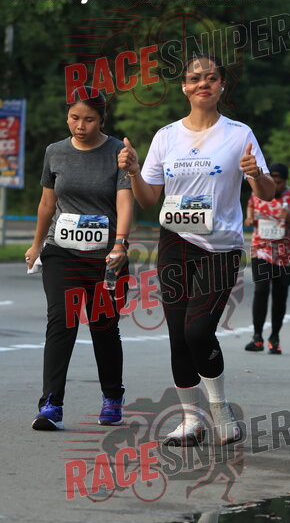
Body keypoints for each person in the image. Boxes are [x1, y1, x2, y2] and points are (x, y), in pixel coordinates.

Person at [118, 54, 274, 446]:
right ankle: (191, 420)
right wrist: (134, 171)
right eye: (195, 78)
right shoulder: (166, 136)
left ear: (221, 85)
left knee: (198, 330)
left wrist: (255, 174)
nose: (203, 83)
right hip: (174, 242)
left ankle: (220, 411)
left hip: (220, 247)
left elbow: (267, 193)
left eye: (211, 77)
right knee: (178, 335)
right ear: (184, 87)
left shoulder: (239, 133)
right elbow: (149, 198)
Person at [25, 87, 133, 430]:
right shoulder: (55, 152)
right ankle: (51, 405)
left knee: (104, 326)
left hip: (106, 256)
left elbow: (124, 200)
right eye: (74, 118)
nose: (80, 126)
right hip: (62, 251)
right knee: (62, 321)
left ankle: (112, 397)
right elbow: (47, 203)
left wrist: (120, 244)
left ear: (102, 119)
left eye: (89, 119)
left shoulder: (117, 152)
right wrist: (36, 245)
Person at [243, 162, 290, 354]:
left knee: (280, 295)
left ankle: (274, 337)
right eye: (273, 181)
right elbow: (250, 208)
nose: (276, 185)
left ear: (286, 181)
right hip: (261, 250)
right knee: (261, 290)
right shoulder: (257, 193)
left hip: (285, 255)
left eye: (279, 182)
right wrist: (249, 218)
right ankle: (257, 337)